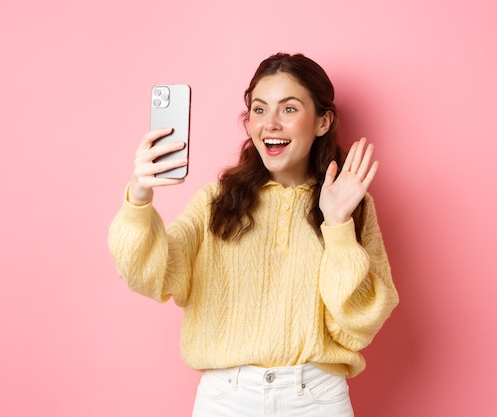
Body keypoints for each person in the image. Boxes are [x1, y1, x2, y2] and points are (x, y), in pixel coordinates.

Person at [108, 52, 399, 417]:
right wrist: (139, 196)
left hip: (316, 399)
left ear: (323, 122)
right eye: (259, 110)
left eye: (289, 109)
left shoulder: (352, 203)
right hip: (226, 400)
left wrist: (337, 224)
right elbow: (151, 274)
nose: (270, 124)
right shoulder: (216, 201)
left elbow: (361, 321)